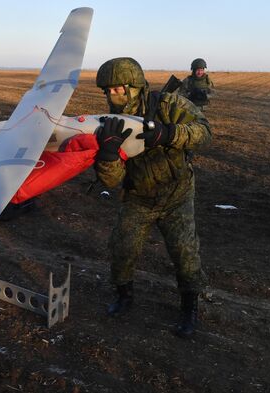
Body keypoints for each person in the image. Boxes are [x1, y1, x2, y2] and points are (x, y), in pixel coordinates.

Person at [93, 57, 212, 337]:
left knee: (185, 253)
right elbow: (112, 180)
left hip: (176, 194)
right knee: (122, 248)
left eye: (119, 89)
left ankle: (189, 307)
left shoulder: (169, 104)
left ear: (135, 87)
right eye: (107, 90)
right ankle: (124, 296)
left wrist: (168, 133)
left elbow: (205, 133)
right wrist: (108, 156)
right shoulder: (110, 125)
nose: (113, 95)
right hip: (138, 198)